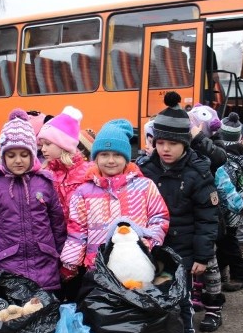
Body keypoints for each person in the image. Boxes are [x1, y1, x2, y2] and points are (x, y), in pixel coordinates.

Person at [138, 91, 220, 333]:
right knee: (155, 292)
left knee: (181, 295)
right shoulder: (145, 169)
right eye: (160, 142)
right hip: (154, 247)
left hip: (184, 248)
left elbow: (207, 218)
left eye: (172, 144)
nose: (165, 149)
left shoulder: (198, 173)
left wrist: (202, 256)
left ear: (185, 143)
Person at [0, 109, 66, 292]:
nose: (18, 160)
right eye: (11, 155)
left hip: (45, 270)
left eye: (24, 154)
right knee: (15, 318)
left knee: (45, 316)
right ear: (3, 156)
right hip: (7, 270)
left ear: (32, 154)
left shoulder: (44, 183)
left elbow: (58, 227)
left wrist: (64, 262)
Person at [60, 118, 169, 278]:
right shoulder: (83, 192)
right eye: (104, 155)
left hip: (138, 265)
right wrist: (70, 263)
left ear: (126, 158)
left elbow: (159, 219)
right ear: (95, 158)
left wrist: (148, 245)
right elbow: (77, 231)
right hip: (98, 266)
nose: (111, 160)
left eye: (117, 155)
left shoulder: (145, 186)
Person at [37, 106, 92, 299]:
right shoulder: (46, 174)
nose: (42, 149)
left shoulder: (87, 173)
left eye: (47, 144)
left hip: (82, 246)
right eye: (41, 144)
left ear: (63, 145)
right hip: (56, 243)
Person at [214, 113, 243, 293]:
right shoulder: (238, 156)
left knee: (229, 244)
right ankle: (223, 273)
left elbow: (225, 188)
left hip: (228, 210)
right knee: (225, 244)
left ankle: (240, 275)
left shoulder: (225, 160)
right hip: (235, 208)